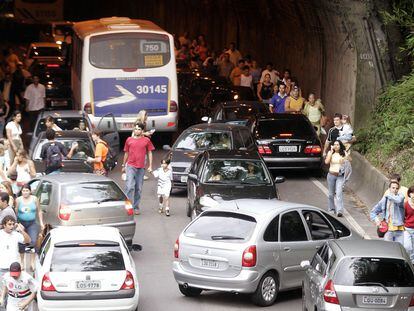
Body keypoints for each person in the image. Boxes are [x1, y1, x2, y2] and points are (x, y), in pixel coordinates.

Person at [122, 123, 154, 215]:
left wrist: (150, 165)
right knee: (129, 186)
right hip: (130, 166)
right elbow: (126, 153)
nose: (137, 131)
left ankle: (136, 207)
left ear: (142, 131)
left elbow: (150, 153)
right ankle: (128, 207)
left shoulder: (146, 140)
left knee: (138, 188)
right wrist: (123, 165)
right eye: (135, 129)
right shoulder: (129, 140)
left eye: (139, 129)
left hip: (141, 167)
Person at [15, 184, 44, 267]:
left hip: (32, 223)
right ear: (21, 191)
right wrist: (17, 223)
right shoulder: (18, 200)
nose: (25, 192)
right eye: (23, 191)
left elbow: (39, 211)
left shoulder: (35, 199)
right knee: (21, 242)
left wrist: (41, 222)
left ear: (30, 191)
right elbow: (16, 212)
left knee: (33, 241)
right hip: (21, 223)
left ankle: (32, 261)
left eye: (27, 190)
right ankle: (22, 261)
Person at [0, 216, 30, 290]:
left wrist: (21, 231)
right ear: (4, 225)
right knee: (3, 290)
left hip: (14, 267)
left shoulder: (16, 234)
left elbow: (28, 240)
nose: (12, 226)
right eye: (9, 224)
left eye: (13, 224)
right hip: (2, 267)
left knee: (13, 289)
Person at [325, 140, 349, 217]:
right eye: (334, 144)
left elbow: (349, 160)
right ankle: (331, 209)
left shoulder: (343, 153)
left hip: (340, 176)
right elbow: (326, 162)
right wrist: (331, 152)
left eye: (338, 144)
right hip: (331, 175)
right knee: (331, 194)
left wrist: (345, 157)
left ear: (340, 146)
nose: (336, 146)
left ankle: (339, 210)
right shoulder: (330, 153)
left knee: (339, 193)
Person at [403, 186, 414, 262]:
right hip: (407, 229)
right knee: (407, 246)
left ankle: (412, 263)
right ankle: (407, 260)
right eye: (412, 192)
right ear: (409, 194)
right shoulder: (406, 204)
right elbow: (402, 216)